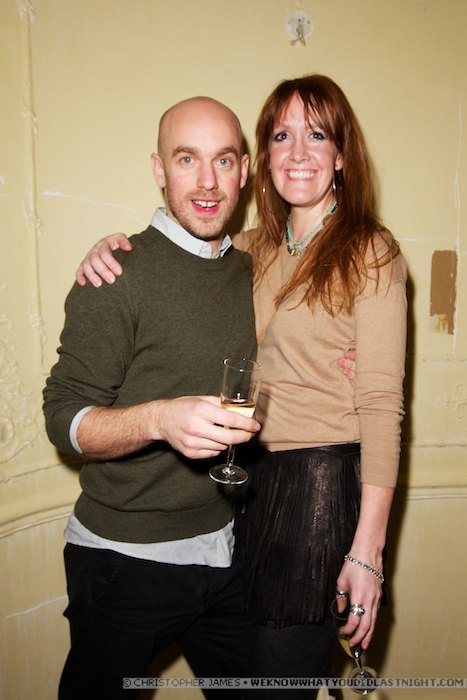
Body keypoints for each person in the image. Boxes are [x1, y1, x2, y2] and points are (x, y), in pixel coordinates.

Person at [74, 75, 407, 697]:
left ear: (341, 155)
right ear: (264, 160)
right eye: (282, 136)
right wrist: (111, 248)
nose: (299, 152)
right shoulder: (252, 250)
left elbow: (383, 407)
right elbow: (185, 252)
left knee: (278, 683)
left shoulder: (370, 252)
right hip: (246, 492)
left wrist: (368, 553)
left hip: (318, 489)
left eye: (317, 135)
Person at [43, 96, 261, 699]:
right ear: (159, 169)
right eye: (187, 159)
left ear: (244, 170)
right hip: (124, 561)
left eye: (223, 160)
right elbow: (63, 420)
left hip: (226, 548)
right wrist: (159, 420)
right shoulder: (117, 273)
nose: (207, 182)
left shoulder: (253, 270)